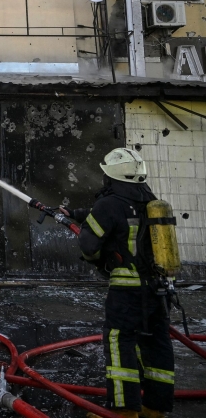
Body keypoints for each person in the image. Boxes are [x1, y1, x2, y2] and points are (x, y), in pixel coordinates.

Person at [63, 148, 174, 418]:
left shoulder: (109, 204)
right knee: (156, 344)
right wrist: (75, 214)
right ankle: (155, 407)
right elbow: (118, 218)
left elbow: (89, 246)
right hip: (159, 290)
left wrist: (100, 259)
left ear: (111, 175)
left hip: (128, 292)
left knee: (119, 342)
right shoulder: (150, 200)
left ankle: (124, 411)